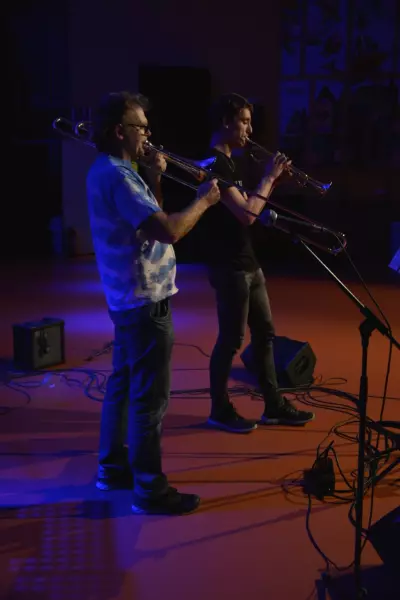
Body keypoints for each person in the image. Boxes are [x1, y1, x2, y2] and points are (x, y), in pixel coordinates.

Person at [86, 91, 220, 514]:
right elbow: (169, 230)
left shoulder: (111, 171)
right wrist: (204, 201)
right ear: (118, 131)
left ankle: (112, 469)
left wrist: (155, 178)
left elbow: (148, 222)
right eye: (140, 127)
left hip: (127, 298)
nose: (148, 134)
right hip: (145, 300)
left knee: (123, 385)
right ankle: (149, 489)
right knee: (150, 400)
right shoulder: (119, 176)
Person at [204, 92, 315, 433]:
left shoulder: (231, 163)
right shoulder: (212, 164)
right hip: (230, 266)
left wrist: (271, 184)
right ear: (226, 122)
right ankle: (219, 409)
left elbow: (249, 210)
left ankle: (273, 405)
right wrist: (268, 177)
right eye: (244, 121)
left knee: (265, 335)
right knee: (231, 341)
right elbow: (247, 215)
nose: (250, 130)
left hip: (248, 261)